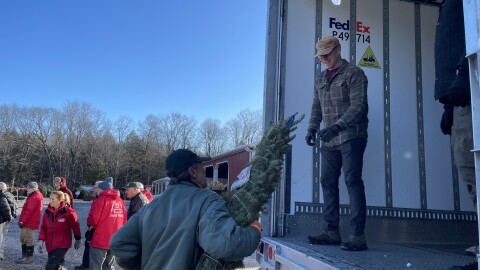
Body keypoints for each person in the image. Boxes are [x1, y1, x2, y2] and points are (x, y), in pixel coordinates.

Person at [110, 149, 262, 269]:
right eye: (203, 169)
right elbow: (225, 244)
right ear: (193, 172)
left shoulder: (150, 207)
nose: (205, 173)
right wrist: (254, 229)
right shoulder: (207, 199)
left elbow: (119, 243)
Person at [305, 36, 369, 251]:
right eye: (320, 56)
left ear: (338, 50)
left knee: (352, 180)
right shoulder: (320, 79)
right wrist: (312, 129)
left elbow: (358, 105)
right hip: (330, 138)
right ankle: (331, 231)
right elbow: (316, 107)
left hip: (352, 135)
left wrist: (338, 126)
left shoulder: (354, 73)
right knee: (327, 181)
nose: (323, 59)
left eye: (327, 54)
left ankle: (358, 235)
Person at [87, 177, 126, 270]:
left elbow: (93, 220)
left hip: (100, 239)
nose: (96, 191)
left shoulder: (100, 200)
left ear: (101, 189)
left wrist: (89, 223)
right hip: (115, 239)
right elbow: (124, 219)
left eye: (98, 189)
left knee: (96, 265)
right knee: (108, 265)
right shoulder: (120, 201)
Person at [37, 191, 81, 270]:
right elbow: (43, 227)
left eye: (52, 199)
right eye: (50, 199)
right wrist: (41, 240)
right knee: (56, 266)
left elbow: (76, 227)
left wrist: (78, 239)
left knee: (50, 267)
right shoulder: (47, 212)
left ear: (60, 200)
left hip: (62, 244)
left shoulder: (69, 212)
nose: (50, 201)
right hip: (50, 244)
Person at [74, 180, 102, 270]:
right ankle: (86, 264)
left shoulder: (100, 200)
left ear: (99, 188)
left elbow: (94, 218)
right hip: (97, 228)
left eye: (95, 188)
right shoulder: (100, 199)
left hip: (96, 229)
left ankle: (87, 265)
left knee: (92, 248)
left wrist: (90, 224)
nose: (94, 190)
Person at [16, 181, 44, 264]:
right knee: (23, 238)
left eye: (29, 187)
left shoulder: (35, 197)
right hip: (28, 221)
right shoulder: (33, 195)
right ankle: (24, 256)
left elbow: (29, 211)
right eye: (27, 187)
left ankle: (29, 258)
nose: (27, 189)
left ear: (33, 189)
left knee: (28, 239)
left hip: (29, 222)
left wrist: (22, 221)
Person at [0, 182, 17, 260]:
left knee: (1, 237)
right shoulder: (10, 194)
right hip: (7, 220)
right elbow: (15, 206)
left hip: (2, 220)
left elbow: (6, 208)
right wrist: (12, 217)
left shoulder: (1, 195)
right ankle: (1, 254)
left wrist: (8, 217)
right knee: (3, 237)